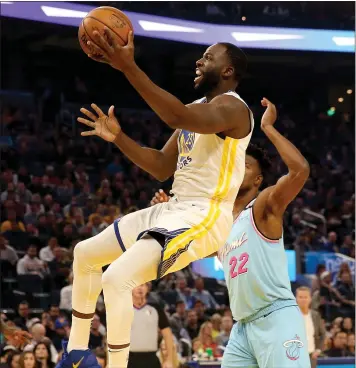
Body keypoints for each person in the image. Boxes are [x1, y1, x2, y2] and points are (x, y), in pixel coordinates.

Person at [58, 29, 253, 368]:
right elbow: (162, 166)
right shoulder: (197, 108)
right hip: (174, 208)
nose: (199, 60)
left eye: (208, 57)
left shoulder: (234, 109)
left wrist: (128, 67)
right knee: (86, 254)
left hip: (206, 214)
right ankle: (76, 353)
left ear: (228, 71)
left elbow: (175, 115)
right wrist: (119, 138)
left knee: (117, 279)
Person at [151, 99, 311, 367]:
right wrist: (167, 213)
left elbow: (300, 170)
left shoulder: (262, 206)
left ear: (259, 180)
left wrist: (268, 127)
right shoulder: (221, 221)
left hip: (276, 317)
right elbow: (189, 246)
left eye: (246, 166)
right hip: (242, 327)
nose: (238, 168)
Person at [128, 283, 174, 368]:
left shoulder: (156, 308)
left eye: (143, 285)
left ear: (148, 288)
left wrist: (169, 359)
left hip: (151, 359)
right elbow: (113, 336)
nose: (140, 288)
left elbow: (167, 335)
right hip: (128, 359)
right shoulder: (123, 309)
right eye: (137, 285)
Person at [296, 286, 325, 368]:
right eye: (300, 297)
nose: (303, 299)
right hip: (294, 357)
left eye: (305, 297)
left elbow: (323, 334)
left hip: (311, 356)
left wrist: (318, 350)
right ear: (296, 299)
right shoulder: (291, 316)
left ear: (310, 298)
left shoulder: (315, 315)